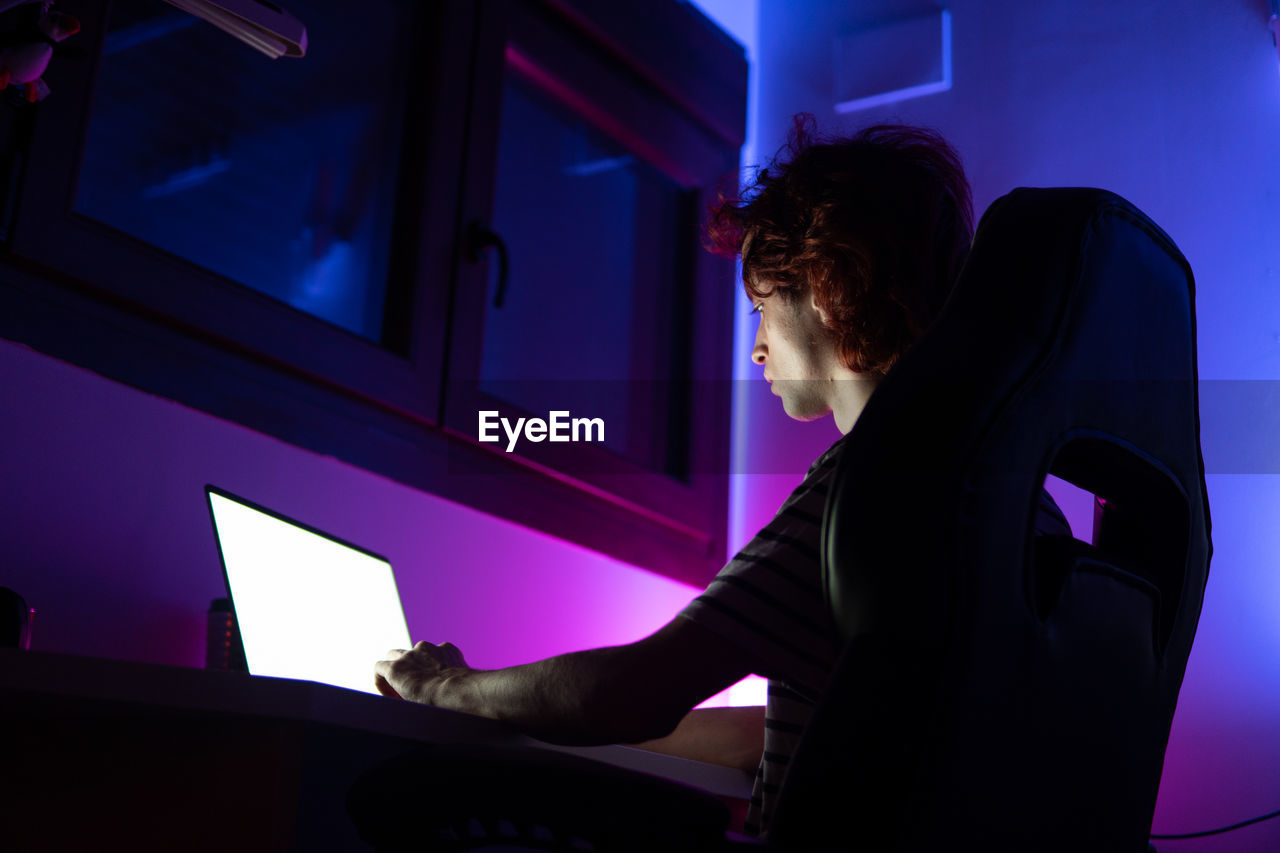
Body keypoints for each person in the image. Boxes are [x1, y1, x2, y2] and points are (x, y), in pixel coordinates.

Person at [374, 116, 1069, 839]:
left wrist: (451, 686)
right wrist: (567, 712)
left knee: (398, 795)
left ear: (827, 290)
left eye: (763, 307)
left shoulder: (867, 489)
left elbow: (634, 690)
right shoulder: (1018, 505)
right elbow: (766, 732)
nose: (759, 349)